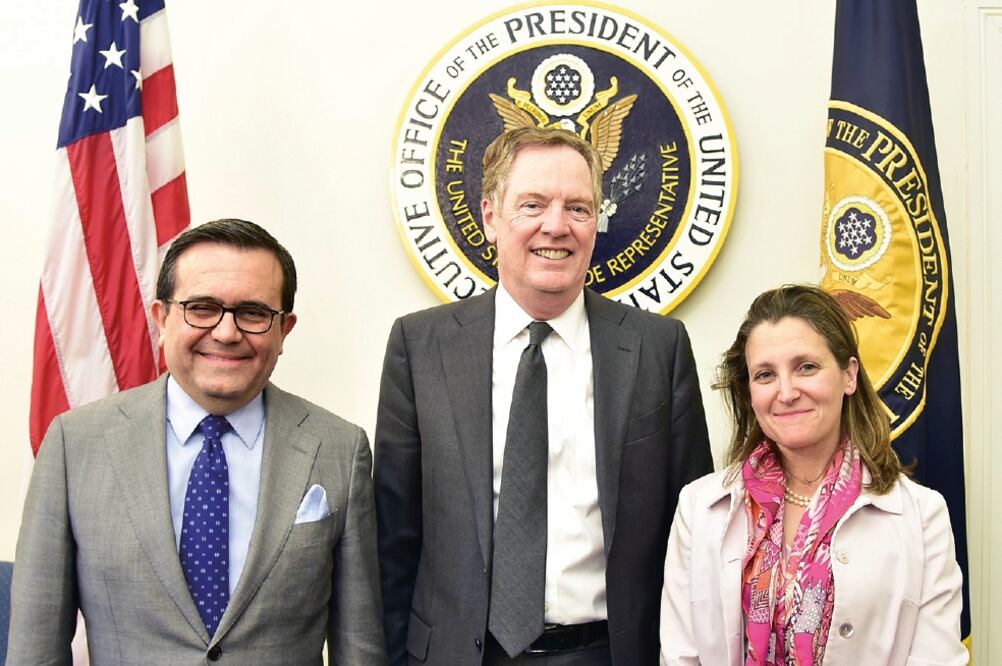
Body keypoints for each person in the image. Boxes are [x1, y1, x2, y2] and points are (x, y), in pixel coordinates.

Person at [375, 126, 712, 665]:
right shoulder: (421, 347)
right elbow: (392, 539)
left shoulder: (658, 349)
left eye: (578, 208)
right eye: (532, 204)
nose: (556, 226)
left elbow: (695, 534)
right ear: (490, 217)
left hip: (607, 654)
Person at [8, 219, 387, 665]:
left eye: (253, 313)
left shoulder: (340, 449)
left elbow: (360, 649)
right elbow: (34, 650)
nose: (226, 333)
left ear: (284, 330)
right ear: (161, 319)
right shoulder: (75, 445)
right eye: (202, 308)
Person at [660, 284, 966, 665]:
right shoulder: (698, 508)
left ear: (849, 375)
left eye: (806, 367)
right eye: (765, 374)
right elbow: (680, 656)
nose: (786, 392)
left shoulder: (923, 516)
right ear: (749, 392)